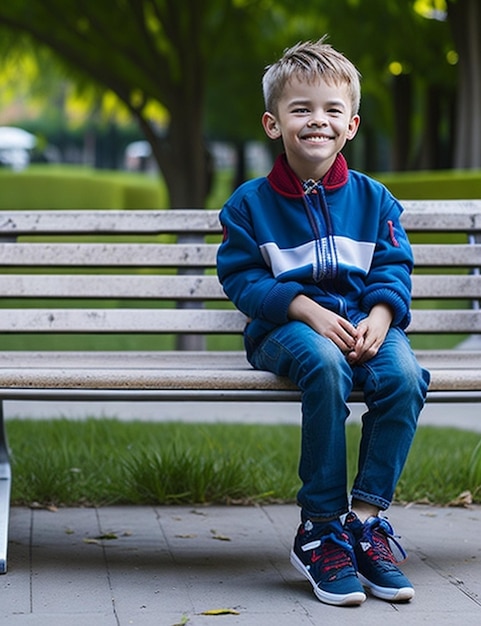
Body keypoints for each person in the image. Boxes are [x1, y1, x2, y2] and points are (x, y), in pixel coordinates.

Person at [216, 37, 430, 607]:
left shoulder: (374, 199)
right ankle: (319, 528)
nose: (318, 121)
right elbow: (241, 278)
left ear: (352, 124)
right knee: (325, 364)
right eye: (301, 109)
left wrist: (383, 316)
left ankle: (362, 523)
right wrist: (303, 307)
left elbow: (393, 266)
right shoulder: (249, 204)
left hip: (366, 323)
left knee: (406, 375)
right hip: (284, 330)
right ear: (273, 123)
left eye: (333, 110)